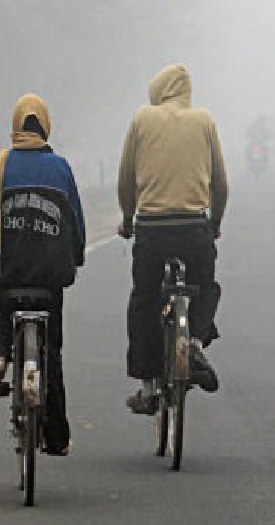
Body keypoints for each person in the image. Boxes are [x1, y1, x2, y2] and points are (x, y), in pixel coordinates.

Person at [0, 93, 85, 456]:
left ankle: (0, 355)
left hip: (12, 274)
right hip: (50, 279)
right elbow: (77, 224)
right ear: (45, 126)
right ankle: (56, 438)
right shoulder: (61, 168)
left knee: (3, 302)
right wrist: (75, 257)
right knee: (52, 354)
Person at [117, 63, 228, 414]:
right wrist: (215, 221)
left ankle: (147, 387)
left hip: (151, 229)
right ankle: (194, 341)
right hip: (193, 227)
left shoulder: (142, 119)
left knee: (145, 300)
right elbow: (220, 184)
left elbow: (126, 178)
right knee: (206, 286)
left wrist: (127, 218)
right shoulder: (205, 120)